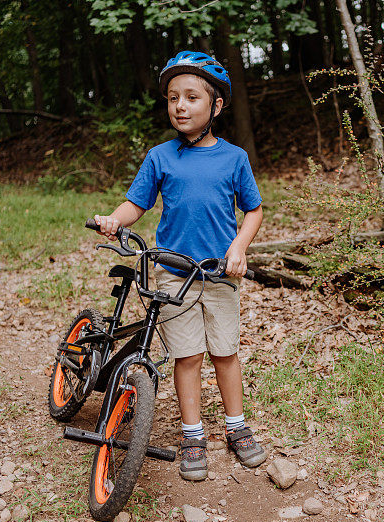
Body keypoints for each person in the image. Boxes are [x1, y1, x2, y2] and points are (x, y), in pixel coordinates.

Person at [93, 51, 266, 481]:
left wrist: (239, 248)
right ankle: (192, 433)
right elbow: (137, 203)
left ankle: (236, 426)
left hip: (220, 274)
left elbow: (255, 210)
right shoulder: (161, 157)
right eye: (174, 98)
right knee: (187, 356)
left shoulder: (234, 158)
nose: (181, 106)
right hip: (174, 271)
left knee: (225, 352)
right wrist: (116, 219)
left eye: (192, 97)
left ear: (216, 106)